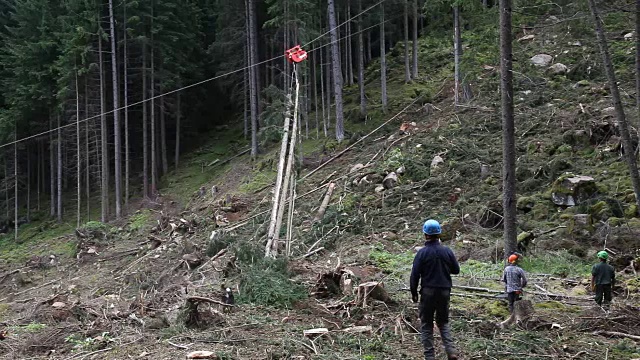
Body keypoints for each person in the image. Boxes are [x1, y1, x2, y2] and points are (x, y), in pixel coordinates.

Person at [410, 219, 460, 360]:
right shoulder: (447, 251)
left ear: (425, 234)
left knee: (426, 324)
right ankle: (451, 352)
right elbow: (456, 270)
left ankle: (430, 357)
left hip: (428, 292)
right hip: (444, 291)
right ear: (439, 234)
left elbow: (414, 275)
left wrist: (414, 293)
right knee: (443, 322)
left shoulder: (422, 253)